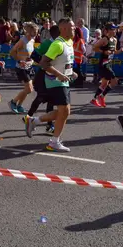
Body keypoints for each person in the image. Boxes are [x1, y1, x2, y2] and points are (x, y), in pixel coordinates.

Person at [25, 18, 76, 152]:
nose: (74, 28)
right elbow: (43, 63)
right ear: (63, 29)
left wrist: (71, 72)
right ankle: (54, 142)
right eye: (72, 27)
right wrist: (59, 74)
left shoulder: (69, 42)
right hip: (55, 81)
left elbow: (62, 62)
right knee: (64, 112)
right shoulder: (57, 44)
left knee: (63, 112)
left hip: (63, 81)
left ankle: (34, 121)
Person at [25, 25, 59, 134]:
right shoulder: (48, 43)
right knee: (42, 98)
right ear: (55, 34)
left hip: (52, 74)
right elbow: (34, 55)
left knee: (50, 99)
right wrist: (44, 63)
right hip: (43, 75)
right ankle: (29, 118)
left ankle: (48, 124)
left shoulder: (59, 43)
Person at [8, 22, 38, 114]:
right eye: (34, 31)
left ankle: (19, 105)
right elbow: (12, 52)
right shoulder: (22, 41)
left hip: (28, 67)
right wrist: (19, 61)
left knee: (29, 89)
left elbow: (30, 54)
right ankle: (13, 102)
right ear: (29, 31)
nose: (36, 33)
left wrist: (32, 60)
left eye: (37, 31)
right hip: (21, 68)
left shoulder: (32, 40)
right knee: (28, 88)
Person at [91, 23, 123, 107]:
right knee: (114, 81)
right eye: (113, 29)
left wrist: (119, 51)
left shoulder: (115, 40)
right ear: (108, 31)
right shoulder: (104, 39)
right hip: (104, 63)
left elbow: (114, 51)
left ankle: (94, 99)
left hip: (109, 63)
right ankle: (102, 96)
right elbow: (94, 47)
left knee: (104, 83)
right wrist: (103, 52)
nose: (115, 31)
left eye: (115, 29)